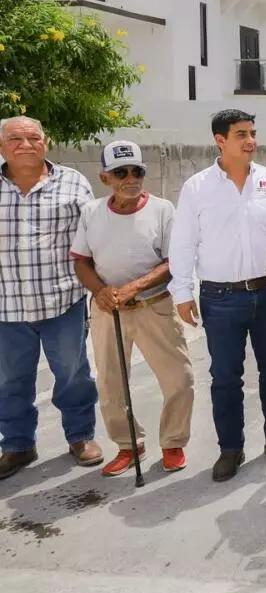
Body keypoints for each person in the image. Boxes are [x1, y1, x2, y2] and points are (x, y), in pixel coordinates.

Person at [170, 110, 266, 481]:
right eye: (241, 134)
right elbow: (183, 243)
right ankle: (230, 448)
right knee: (225, 377)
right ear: (220, 140)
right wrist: (182, 291)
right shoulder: (197, 187)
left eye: (252, 133)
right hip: (220, 297)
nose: (250, 140)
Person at [71, 141, 193, 477]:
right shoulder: (92, 212)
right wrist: (101, 291)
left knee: (179, 378)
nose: (130, 178)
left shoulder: (163, 209)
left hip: (154, 304)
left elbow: (173, 261)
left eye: (137, 171)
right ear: (105, 177)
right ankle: (128, 445)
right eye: (121, 172)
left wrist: (134, 287)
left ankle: (173, 442)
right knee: (111, 384)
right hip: (108, 309)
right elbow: (81, 260)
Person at [0, 116, 100, 479]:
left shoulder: (73, 182)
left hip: (62, 303)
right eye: (15, 138)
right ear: (1, 146)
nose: (25, 144)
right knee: (9, 382)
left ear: (46, 142)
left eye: (33, 137)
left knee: (74, 376)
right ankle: (17, 445)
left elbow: (92, 239)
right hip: (6, 307)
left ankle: (80, 436)